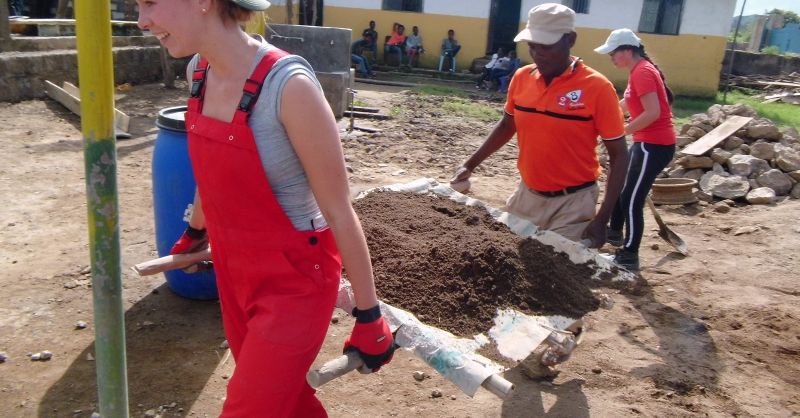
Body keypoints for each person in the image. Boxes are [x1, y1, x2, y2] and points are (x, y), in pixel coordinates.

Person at [137, 0, 395, 415]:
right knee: (286, 400)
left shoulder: (289, 87)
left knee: (247, 409)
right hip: (234, 272)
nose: (142, 21)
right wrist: (197, 231)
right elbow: (212, 169)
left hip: (294, 283)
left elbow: (339, 211)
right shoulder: (198, 73)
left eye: (149, 2)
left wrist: (369, 315)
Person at [450, 3, 628, 247]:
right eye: (532, 46)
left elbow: (619, 156)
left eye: (546, 46)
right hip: (527, 196)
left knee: (559, 273)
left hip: (573, 203)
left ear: (570, 40)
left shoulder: (597, 88)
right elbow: (506, 125)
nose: (538, 53)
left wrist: (602, 218)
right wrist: (469, 165)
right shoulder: (522, 78)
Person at [594, 28, 676, 271]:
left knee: (632, 199)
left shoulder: (643, 73)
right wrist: (601, 118)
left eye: (613, 53)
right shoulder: (638, 71)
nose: (611, 58)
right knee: (623, 188)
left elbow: (653, 113)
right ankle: (615, 233)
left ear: (627, 51)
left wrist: (620, 132)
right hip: (645, 143)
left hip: (655, 146)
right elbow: (626, 104)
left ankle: (629, 256)